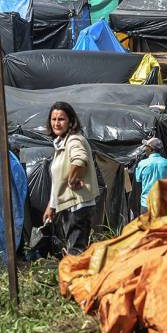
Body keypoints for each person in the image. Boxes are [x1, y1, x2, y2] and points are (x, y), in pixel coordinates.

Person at [43, 102, 100, 254]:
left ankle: (75, 277)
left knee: (76, 251)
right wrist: (52, 206)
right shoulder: (62, 143)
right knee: (73, 249)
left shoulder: (74, 140)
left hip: (78, 206)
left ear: (70, 121)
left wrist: (73, 179)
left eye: (61, 119)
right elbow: (57, 181)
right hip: (69, 205)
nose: (56, 123)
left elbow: (80, 160)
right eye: (53, 119)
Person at [135, 137, 167, 213]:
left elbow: (138, 179)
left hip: (146, 203)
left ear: (151, 149)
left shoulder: (142, 163)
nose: (145, 149)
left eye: (146, 146)